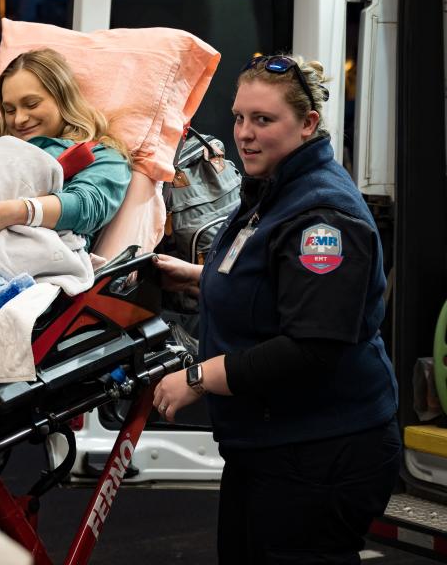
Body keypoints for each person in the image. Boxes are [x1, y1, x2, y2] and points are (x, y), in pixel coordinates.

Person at [151, 54, 400, 564]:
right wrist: (200, 280)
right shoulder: (272, 190)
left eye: (263, 120)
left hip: (321, 449)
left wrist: (197, 377)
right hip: (271, 443)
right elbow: (275, 288)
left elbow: (313, 345)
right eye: (240, 117)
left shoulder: (323, 218)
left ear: (307, 124)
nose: (244, 133)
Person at [0, 47, 130, 250]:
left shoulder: (102, 156)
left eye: (31, 104)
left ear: (63, 98)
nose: (19, 119)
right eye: (10, 110)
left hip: (37, 271)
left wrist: (9, 212)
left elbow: (87, 206)